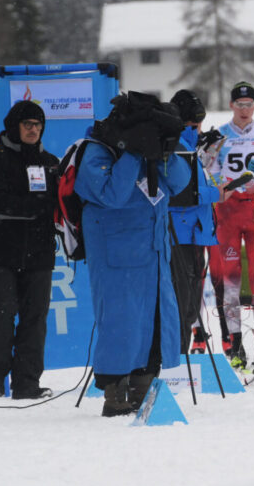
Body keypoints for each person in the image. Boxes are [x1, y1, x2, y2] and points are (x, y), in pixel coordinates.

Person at [74, 92, 191, 417]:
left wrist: (165, 151)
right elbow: (111, 194)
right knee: (120, 323)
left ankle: (144, 387)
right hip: (117, 258)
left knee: (154, 323)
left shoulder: (154, 149)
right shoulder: (97, 149)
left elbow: (180, 183)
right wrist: (132, 153)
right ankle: (114, 393)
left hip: (152, 255)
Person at [0, 100, 59, 398]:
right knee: (2, 311)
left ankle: (27, 383)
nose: (33, 130)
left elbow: (59, 206)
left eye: (38, 125)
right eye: (27, 124)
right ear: (14, 126)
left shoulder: (50, 163)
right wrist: (36, 207)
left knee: (35, 317)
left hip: (39, 254)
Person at [167, 90, 245, 356]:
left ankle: (180, 358)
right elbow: (178, 193)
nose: (199, 129)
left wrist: (215, 186)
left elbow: (198, 183)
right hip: (180, 233)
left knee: (190, 304)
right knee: (182, 302)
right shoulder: (174, 146)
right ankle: (175, 362)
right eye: (195, 124)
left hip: (195, 231)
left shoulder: (189, 145)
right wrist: (217, 193)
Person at [209, 82, 254, 369]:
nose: (245, 110)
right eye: (240, 104)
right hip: (228, 211)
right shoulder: (220, 135)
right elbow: (211, 173)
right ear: (231, 105)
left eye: (249, 104)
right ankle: (235, 343)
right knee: (231, 280)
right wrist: (225, 189)